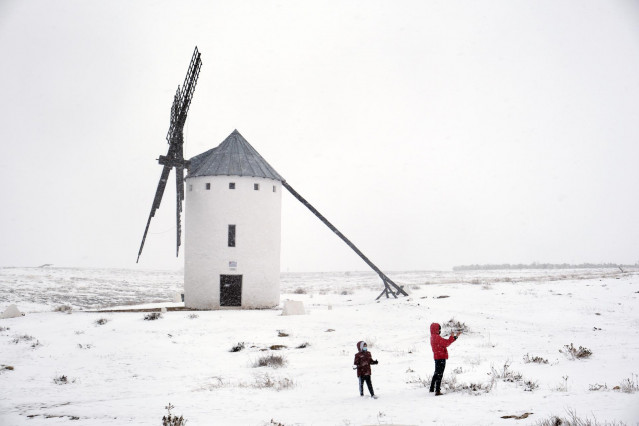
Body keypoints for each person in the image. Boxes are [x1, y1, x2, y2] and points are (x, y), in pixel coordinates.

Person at [429, 323, 461, 395]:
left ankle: (431, 388)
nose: (440, 330)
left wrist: (454, 337)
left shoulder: (432, 337)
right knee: (440, 374)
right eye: (439, 329)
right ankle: (437, 391)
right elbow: (446, 343)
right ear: (436, 329)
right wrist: (453, 337)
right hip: (441, 357)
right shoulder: (437, 337)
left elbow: (444, 343)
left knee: (436, 373)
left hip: (437, 357)